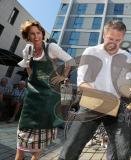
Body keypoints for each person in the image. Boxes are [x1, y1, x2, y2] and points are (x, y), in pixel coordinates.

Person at [58, 20, 131, 160]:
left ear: (123, 38)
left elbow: (126, 85)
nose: (113, 43)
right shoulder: (91, 52)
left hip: (117, 107)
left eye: (118, 40)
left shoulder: (127, 56)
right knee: (71, 147)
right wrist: (103, 96)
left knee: (122, 151)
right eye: (110, 38)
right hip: (91, 104)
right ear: (104, 35)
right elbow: (82, 83)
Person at [15, 20, 72, 160]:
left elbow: (70, 60)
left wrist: (63, 76)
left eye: (38, 33)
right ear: (27, 37)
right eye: (32, 34)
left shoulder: (51, 48)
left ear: (42, 33)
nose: (36, 37)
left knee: (37, 148)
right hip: (32, 98)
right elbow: (29, 72)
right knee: (21, 143)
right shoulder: (26, 51)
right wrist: (33, 84)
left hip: (48, 98)